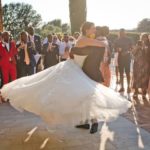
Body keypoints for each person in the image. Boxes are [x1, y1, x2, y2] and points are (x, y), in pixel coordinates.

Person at [0, 23, 131, 134]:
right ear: (86, 29)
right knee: (75, 94)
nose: (95, 30)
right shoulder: (83, 39)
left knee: (85, 95)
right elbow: (101, 44)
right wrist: (104, 41)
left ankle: (89, 121)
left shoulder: (85, 39)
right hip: (74, 69)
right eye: (93, 28)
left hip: (80, 69)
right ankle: (88, 121)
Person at [114, 29, 133, 93]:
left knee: (127, 73)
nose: (122, 34)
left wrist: (127, 52)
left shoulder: (129, 39)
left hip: (127, 58)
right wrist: (117, 49)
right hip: (120, 58)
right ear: (119, 33)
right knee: (121, 73)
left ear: (125, 33)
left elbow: (132, 48)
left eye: (123, 33)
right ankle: (122, 87)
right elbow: (115, 49)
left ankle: (128, 87)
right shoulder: (117, 40)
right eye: (121, 33)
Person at [132, 33, 150, 99]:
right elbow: (133, 53)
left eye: (145, 37)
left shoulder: (149, 44)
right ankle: (136, 92)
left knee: (145, 79)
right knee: (136, 78)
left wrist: (145, 49)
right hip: (137, 64)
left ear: (147, 38)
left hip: (146, 64)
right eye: (142, 37)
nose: (144, 38)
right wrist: (137, 48)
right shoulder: (138, 43)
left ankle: (144, 93)